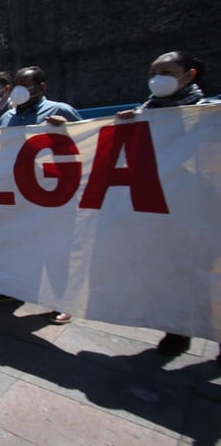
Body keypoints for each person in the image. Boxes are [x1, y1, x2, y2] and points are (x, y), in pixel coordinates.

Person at [116, 50, 220, 362]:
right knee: (172, 271)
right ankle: (177, 330)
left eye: (165, 70)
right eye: (152, 71)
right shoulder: (145, 113)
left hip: (207, 209)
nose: (156, 78)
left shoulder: (210, 114)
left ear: (189, 75)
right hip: (165, 211)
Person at [0, 66, 82, 324]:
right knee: (14, 242)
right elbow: (2, 150)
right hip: (15, 193)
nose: (19, 89)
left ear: (41, 87)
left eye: (25, 84)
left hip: (50, 195)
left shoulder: (59, 111)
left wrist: (67, 130)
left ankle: (62, 301)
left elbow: (90, 141)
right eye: (17, 83)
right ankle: (14, 289)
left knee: (54, 248)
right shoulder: (8, 117)